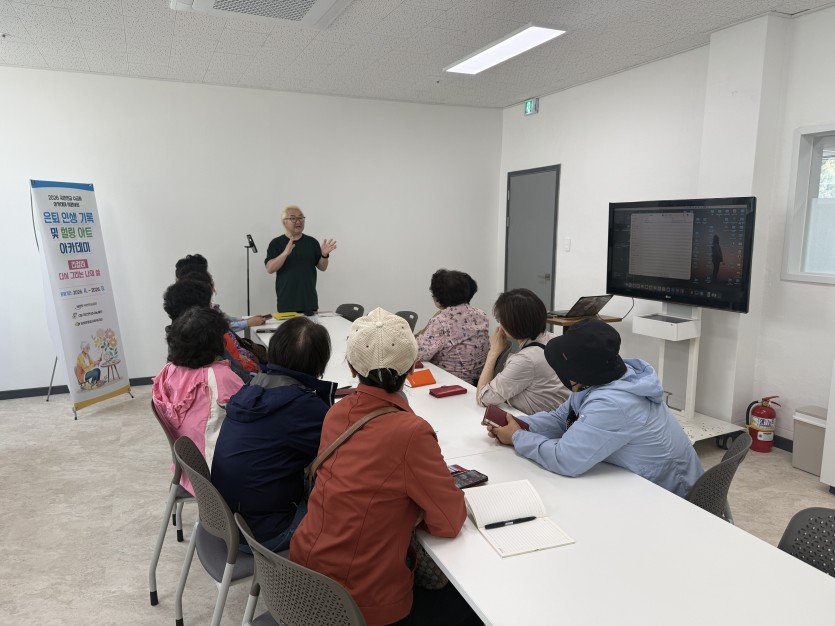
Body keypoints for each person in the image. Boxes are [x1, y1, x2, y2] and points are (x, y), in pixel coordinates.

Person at [290, 308, 477, 626]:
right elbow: (449, 521)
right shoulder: (410, 432)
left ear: (352, 367)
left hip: (303, 577)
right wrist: (414, 513)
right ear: (412, 367)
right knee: (469, 607)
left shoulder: (336, 413)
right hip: (361, 601)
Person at [485, 319, 703, 498]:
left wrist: (517, 437)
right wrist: (519, 424)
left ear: (578, 373)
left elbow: (565, 459)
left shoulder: (613, 403)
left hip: (671, 497)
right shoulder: (605, 375)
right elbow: (562, 418)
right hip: (636, 482)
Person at [212, 317, 336, 553]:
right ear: (320, 364)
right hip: (265, 533)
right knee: (350, 506)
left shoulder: (252, 388)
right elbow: (342, 455)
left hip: (227, 521)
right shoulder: (302, 406)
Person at [152, 306, 245, 494]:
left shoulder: (168, 371)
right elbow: (250, 416)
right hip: (215, 473)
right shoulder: (220, 378)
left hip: (187, 468)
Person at [476, 288, 569, 414]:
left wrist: (493, 353)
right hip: (559, 415)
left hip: (533, 421)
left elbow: (483, 397)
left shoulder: (525, 360)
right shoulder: (555, 339)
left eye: (500, 320)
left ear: (511, 325)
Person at [162, 278, 252, 382]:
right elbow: (242, 378)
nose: (212, 307)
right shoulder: (208, 340)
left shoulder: (175, 343)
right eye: (209, 304)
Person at [415, 269, 489, 384]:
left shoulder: (441, 321)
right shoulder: (481, 314)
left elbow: (419, 355)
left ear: (437, 298)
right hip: (479, 380)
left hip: (449, 381)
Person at [264, 205, 337, 313]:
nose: (298, 221)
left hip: (309, 302)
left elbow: (322, 267)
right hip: (287, 303)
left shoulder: (312, 242)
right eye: (293, 218)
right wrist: (285, 253)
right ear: (284, 222)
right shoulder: (276, 243)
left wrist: (324, 255)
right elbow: (270, 268)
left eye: (301, 218)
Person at [175, 253, 270, 330]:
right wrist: (247, 323)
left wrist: (248, 320)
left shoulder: (203, 304)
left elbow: (225, 320)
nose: (209, 276)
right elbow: (219, 327)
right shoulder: (196, 312)